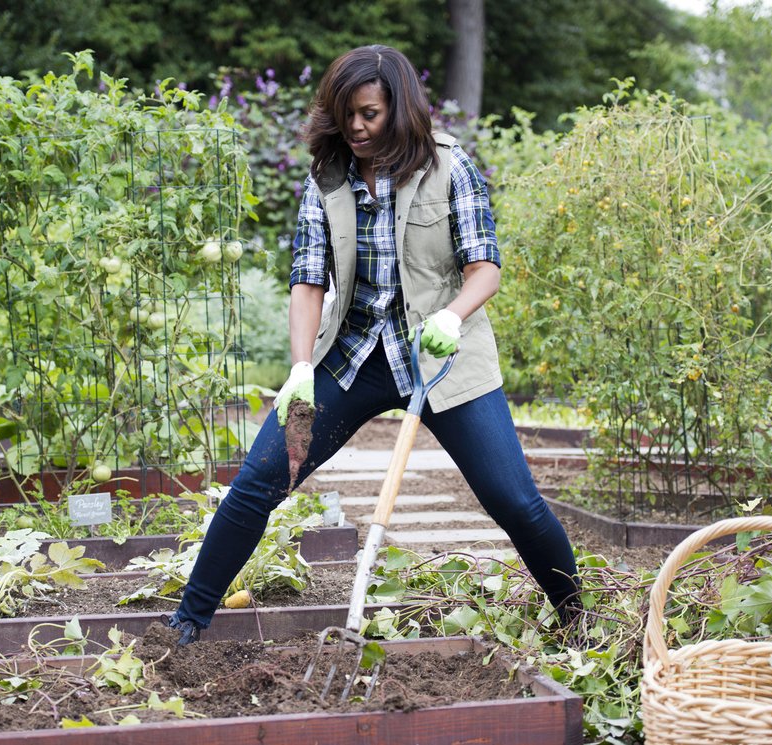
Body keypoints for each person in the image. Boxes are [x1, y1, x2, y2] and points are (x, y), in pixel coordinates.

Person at [165, 45, 579, 644]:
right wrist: (302, 366)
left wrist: (455, 316)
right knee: (258, 480)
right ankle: (186, 623)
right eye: (347, 114)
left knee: (513, 500)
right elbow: (309, 281)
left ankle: (576, 618)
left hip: (441, 360)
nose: (356, 126)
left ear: (400, 109)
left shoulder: (450, 169)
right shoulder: (326, 180)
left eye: (370, 114)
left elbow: (484, 267)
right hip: (352, 357)